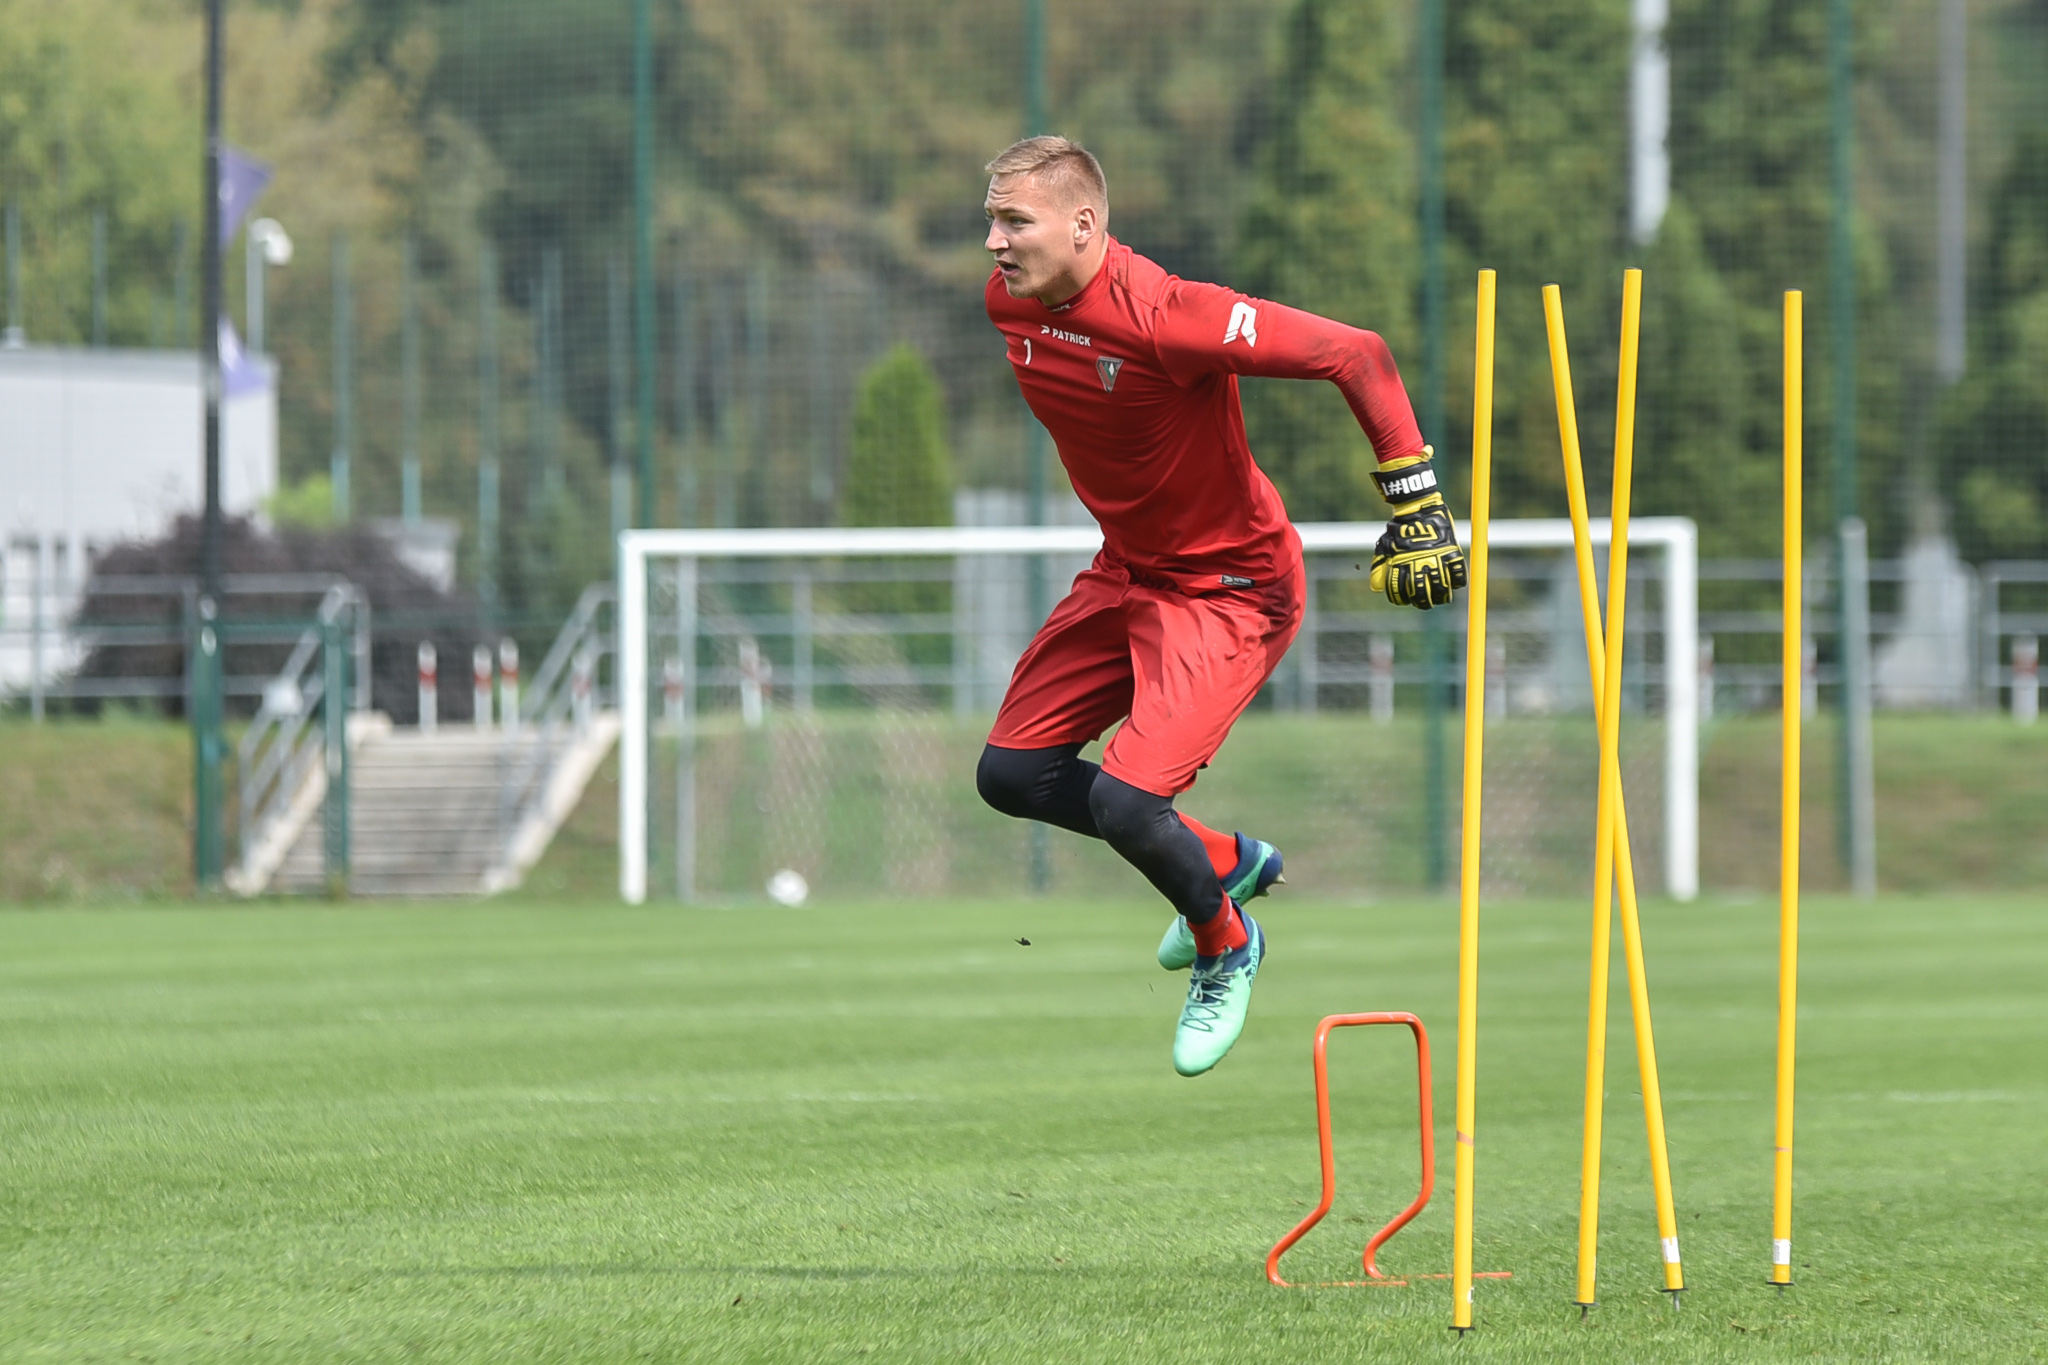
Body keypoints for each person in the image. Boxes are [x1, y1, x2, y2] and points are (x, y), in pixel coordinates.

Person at [973, 136, 1465, 1077]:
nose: (994, 242)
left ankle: (1226, 943)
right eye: (991, 220)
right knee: (1012, 773)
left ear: (1084, 225)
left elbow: (1355, 353)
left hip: (1230, 590)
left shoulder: (1169, 315)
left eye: (1014, 221)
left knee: (1126, 802)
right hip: (1128, 572)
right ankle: (1228, 860)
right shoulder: (1010, 300)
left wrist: (1417, 501)